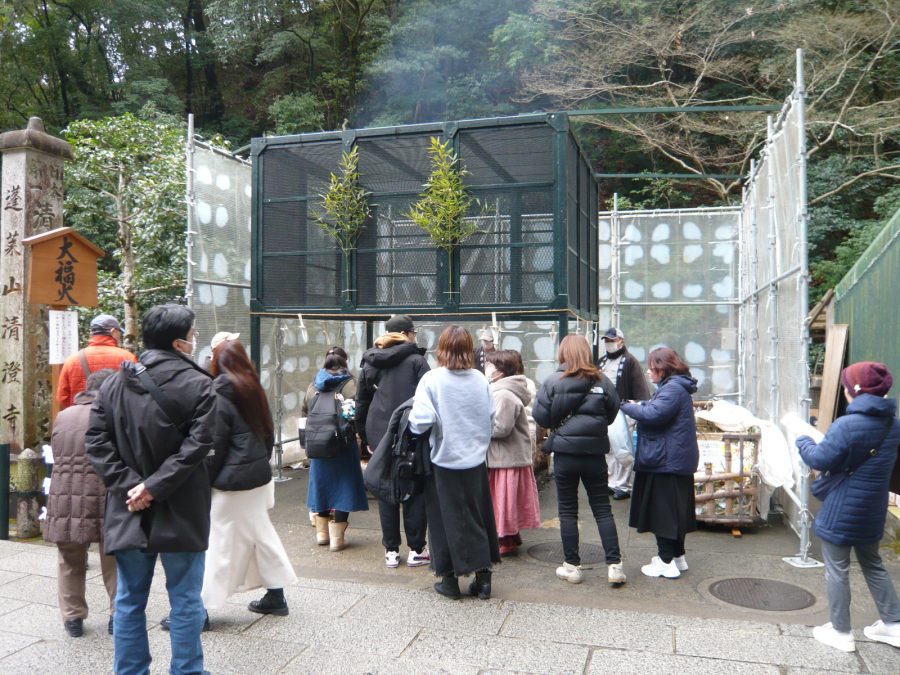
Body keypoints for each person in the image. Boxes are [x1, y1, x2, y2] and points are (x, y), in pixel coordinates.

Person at [86, 304, 216, 675]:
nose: (195, 340)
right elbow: (199, 445)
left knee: (128, 599)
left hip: (129, 509)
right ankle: (187, 670)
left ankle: (130, 671)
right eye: (192, 334)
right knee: (186, 599)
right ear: (179, 342)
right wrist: (153, 487)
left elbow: (96, 442)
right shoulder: (200, 384)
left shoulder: (113, 384)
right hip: (183, 506)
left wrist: (132, 488)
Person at [796, 361, 900, 652]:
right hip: (872, 510)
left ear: (854, 390)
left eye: (846, 384)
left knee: (837, 569)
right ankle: (894, 625)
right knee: (873, 563)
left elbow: (819, 459)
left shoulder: (847, 424)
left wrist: (802, 438)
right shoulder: (893, 425)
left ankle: (841, 632)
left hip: (842, 508)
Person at [409, 325, 501, 600]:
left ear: (442, 349)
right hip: (475, 462)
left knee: (442, 521)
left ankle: (449, 582)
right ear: (469, 349)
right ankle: (483, 580)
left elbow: (420, 421)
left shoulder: (433, 379)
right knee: (478, 517)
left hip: (443, 461)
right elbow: (491, 420)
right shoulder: (480, 380)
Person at [532, 335, 625, 587]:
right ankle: (615, 566)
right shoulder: (602, 381)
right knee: (602, 509)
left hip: (565, 455)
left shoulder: (553, 380)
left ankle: (572, 567)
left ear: (563, 353)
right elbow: (613, 411)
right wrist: (594, 426)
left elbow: (540, 415)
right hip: (595, 454)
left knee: (568, 511)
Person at [45, 368, 118, 638]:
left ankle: (73, 618)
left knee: (70, 558)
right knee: (114, 558)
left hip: (64, 495)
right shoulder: (110, 414)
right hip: (104, 493)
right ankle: (117, 615)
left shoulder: (63, 416)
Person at [356, 315, 430, 568]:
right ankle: (417, 549)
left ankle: (391, 551)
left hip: (379, 434)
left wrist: (364, 434)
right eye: (414, 333)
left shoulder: (371, 360)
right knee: (414, 489)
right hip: (411, 433)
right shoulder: (417, 361)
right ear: (408, 334)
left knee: (386, 488)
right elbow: (429, 400)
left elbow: (362, 401)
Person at [620, 347, 699, 580]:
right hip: (673, 460)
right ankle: (677, 557)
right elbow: (657, 410)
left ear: (662, 368)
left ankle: (665, 562)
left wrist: (624, 405)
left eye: (652, 367)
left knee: (663, 513)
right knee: (675, 512)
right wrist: (641, 405)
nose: (648, 372)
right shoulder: (675, 387)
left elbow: (654, 415)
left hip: (665, 461)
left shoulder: (672, 388)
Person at [303, 351, 369, 551]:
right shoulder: (351, 384)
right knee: (344, 486)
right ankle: (337, 539)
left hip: (318, 445)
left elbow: (304, 413)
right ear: (344, 364)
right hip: (343, 444)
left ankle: (322, 534)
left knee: (321, 484)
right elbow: (358, 412)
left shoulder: (312, 385)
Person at [485, 350, 541, 557]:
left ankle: (506, 541)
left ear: (501, 370)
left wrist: (477, 427)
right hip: (508, 456)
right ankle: (510, 538)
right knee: (504, 503)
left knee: (504, 503)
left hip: (506, 458)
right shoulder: (505, 391)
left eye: (491, 365)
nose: (487, 369)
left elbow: (501, 428)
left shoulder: (504, 394)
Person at [598, 327, 651, 500]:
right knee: (608, 449)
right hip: (604, 410)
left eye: (612, 340)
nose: (609, 344)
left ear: (621, 340)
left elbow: (640, 388)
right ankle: (611, 482)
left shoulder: (630, 361)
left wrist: (637, 406)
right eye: (607, 341)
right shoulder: (601, 362)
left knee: (622, 447)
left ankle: (623, 485)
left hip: (623, 410)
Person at [57, 313, 137, 410]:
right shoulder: (128, 358)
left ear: (92, 333)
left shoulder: (72, 360)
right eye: (119, 332)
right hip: (117, 420)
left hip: (84, 420)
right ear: (113, 331)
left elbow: (63, 398)